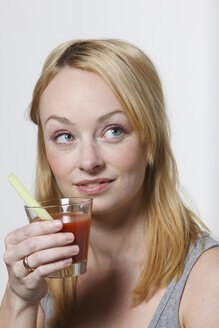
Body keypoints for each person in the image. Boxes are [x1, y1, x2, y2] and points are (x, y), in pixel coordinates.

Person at [0, 39, 219, 328]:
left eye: (113, 130)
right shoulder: (39, 280)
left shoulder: (208, 279)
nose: (89, 161)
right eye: (65, 136)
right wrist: (19, 300)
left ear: (150, 139)